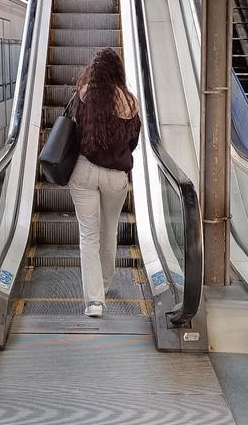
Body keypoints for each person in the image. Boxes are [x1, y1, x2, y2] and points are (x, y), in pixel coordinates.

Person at [67, 48, 141, 318]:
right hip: (115, 177)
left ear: (94, 71)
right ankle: (105, 285)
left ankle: (94, 302)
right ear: (118, 72)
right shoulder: (130, 103)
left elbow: (73, 131)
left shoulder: (84, 94)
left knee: (88, 236)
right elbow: (133, 143)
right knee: (109, 231)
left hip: (84, 171)